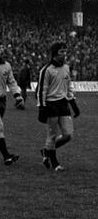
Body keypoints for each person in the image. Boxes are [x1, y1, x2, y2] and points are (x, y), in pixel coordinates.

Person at [36, 42, 78, 172]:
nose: (64, 54)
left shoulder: (66, 67)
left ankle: (46, 151)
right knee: (52, 135)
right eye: (62, 52)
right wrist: (42, 107)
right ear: (54, 53)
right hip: (51, 105)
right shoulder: (46, 70)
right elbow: (41, 90)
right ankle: (55, 164)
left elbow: (68, 86)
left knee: (68, 135)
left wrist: (73, 104)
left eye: (65, 52)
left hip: (63, 104)